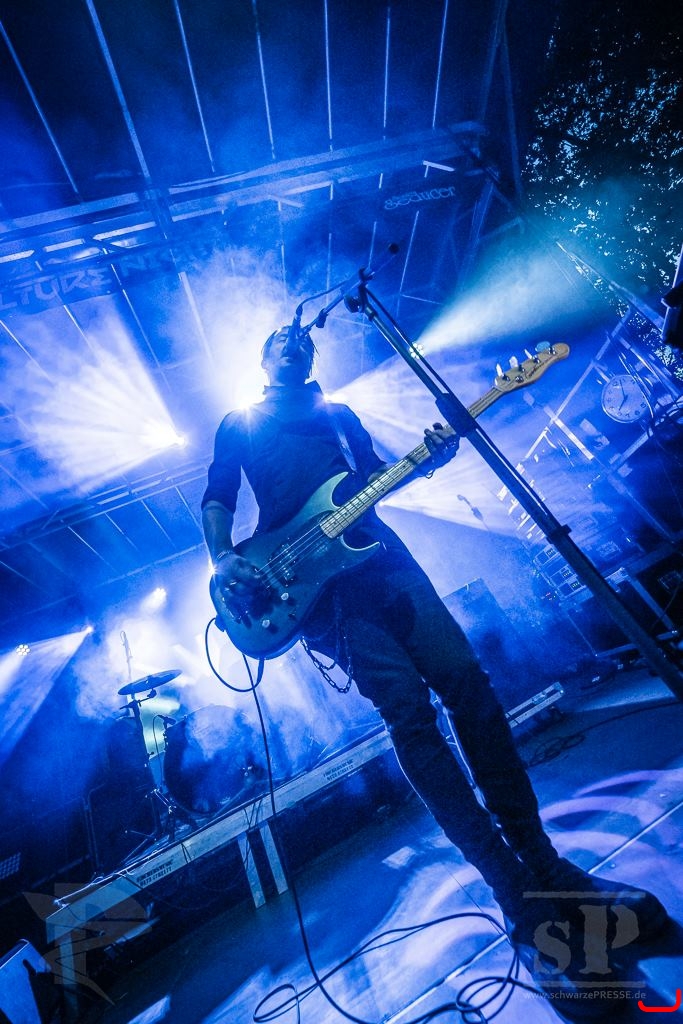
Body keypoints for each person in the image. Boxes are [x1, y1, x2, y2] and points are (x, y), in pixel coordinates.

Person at [202, 325, 669, 1015]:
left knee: (470, 688)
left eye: (303, 336)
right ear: (263, 357)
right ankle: (516, 897)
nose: (294, 338)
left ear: (314, 356)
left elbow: (371, 479)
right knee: (411, 717)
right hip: (320, 596)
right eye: (279, 336)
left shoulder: (339, 415)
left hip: (383, 560)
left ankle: (544, 865)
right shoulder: (241, 423)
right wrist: (222, 559)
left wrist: (428, 458)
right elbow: (216, 497)